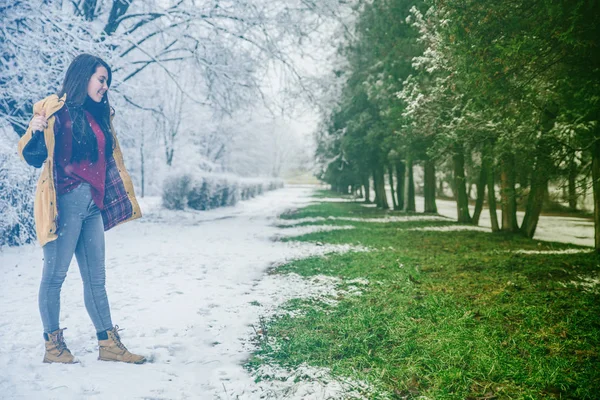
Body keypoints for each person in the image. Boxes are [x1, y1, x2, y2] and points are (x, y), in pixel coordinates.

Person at [17, 54, 146, 364]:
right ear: (83, 76)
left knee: (96, 279)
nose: (105, 87)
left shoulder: (98, 116)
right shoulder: (56, 113)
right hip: (64, 205)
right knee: (54, 277)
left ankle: (108, 344)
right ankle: (53, 346)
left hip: (92, 207)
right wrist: (35, 130)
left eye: (107, 82)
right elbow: (34, 157)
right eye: (101, 79)